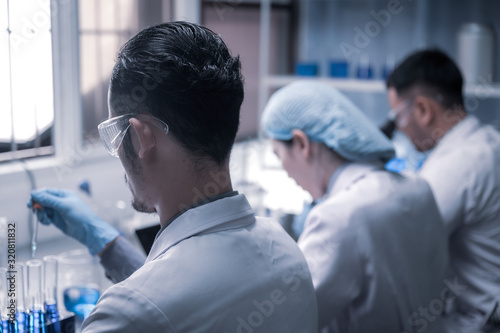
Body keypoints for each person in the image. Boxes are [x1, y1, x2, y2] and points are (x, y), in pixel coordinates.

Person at [29, 21, 318, 333]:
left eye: (116, 135)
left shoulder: (124, 314)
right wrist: (107, 245)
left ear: (141, 138)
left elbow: (157, 304)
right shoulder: (287, 251)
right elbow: (178, 297)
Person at [260, 81, 449, 333]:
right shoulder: (418, 187)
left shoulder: (339, 218)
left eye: (277, 154)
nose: (284, 170)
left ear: (301, 144)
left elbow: (286, 322)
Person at [386, 48, 500, 332]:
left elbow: (401, 243)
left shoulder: (460, 165)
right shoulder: (486, 142)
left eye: (398, 117)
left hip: (479, 321)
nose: (400, 129)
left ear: (423, 110)